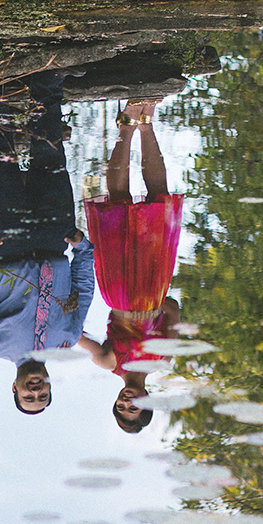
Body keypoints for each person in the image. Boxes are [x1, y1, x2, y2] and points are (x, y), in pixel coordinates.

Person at [0, 74, 94, 413]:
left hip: (7, 242)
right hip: (55, 237)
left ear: (14, 388)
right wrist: (83, 250)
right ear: (49, 387)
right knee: (49, 151)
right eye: (42, 396)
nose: (36, 391)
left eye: (28, 397)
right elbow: (83, 292)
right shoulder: (68, 340)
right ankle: (47, 80)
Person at [78, 98, 185, 433]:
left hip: (119, 287)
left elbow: (69, 333)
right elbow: (175, 310)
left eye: (121, 407)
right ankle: (146, 123)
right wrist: (156, 308)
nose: (127, 401)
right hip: (154, 284)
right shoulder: (164, 360)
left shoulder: (108, 362)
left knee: (118, 201)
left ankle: (127, 126)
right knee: (159, 199)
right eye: (134, 408)